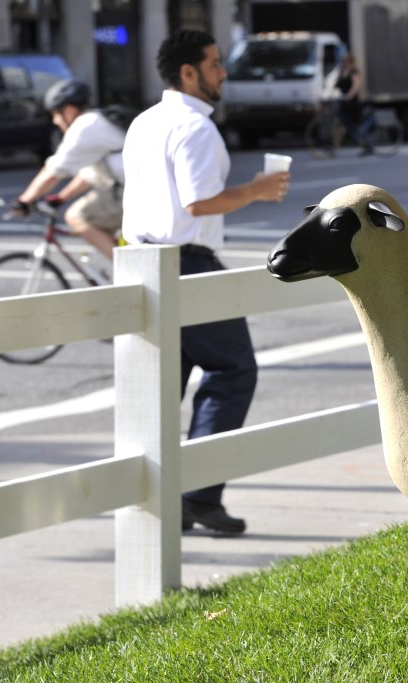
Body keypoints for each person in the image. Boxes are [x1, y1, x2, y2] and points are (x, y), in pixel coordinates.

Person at [121, 29, 290, 534]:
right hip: (186, 262)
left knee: (163, 384)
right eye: (215, 63)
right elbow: (199, 203)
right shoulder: (195, 128)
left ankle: (154, 497)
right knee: (234, 370)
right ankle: (198, 494)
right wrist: (257, 191)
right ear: (188, 72)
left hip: (140, 261)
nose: (223, 72)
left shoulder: (144, 122)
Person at [13, 79, 125, 261]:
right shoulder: (98, 121)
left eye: (57, 114)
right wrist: (60, 197)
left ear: (70, 110)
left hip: (132, 194)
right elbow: (89, 175)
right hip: (136, 191)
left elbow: (54, 171)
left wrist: (24, 200)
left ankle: (128, 268)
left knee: (77, 217)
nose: (56, 121)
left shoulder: (85, 126)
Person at [334, 53, 371, 154]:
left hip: (352, 103)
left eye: (347, 61)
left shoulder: (354, 71)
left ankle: (366, 145)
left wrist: (349, 96)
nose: (345, 63)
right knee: (340, 124)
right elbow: (336, 84)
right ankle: (334, 149)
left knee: (354, 126)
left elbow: (356, 85)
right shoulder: (342, 71)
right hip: (343, 102)